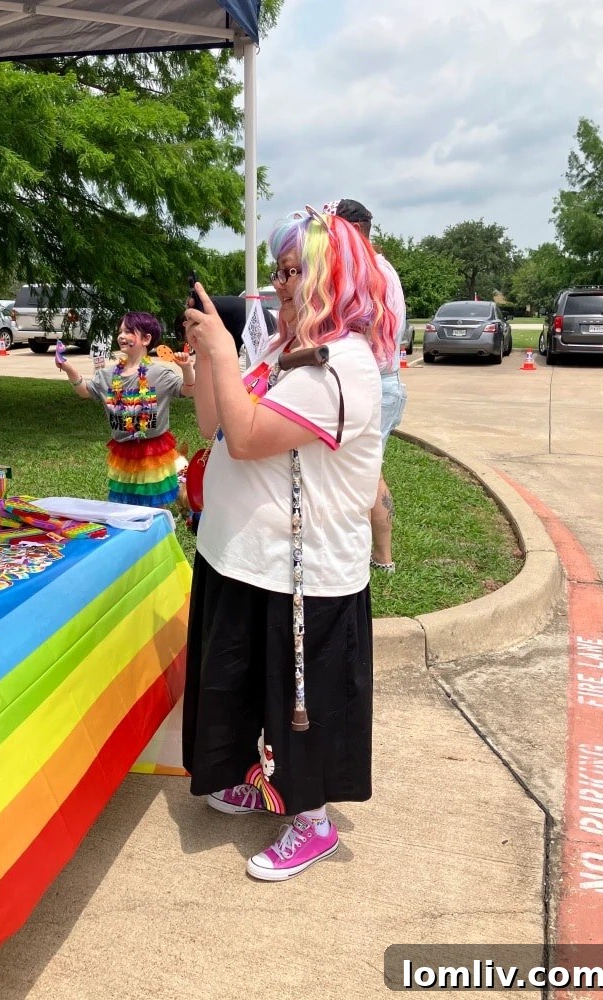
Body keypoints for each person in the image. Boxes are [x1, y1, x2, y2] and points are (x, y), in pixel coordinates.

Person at [181, 207, 398, 881]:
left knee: (301, 700)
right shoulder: (286, 347)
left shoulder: (342, 367)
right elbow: (219, 424)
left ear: (338, 277)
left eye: (295, 270)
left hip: (304, 576)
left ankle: (312, 822)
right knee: (244, 685)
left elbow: (247, 441)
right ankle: (256, 781)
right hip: (245, 557)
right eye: (277, 270)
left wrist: (221, 352)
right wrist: (208, 363)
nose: (280, 284)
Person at [56, 310, 195, 507]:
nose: (122, 335)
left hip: (152, 452)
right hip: (123, 453)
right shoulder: (107, 375)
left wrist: (187, 369)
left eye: (129, 331)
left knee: (152, 507)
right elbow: (86, 391)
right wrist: (69, 368)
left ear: (146, 339)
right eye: (120, 331)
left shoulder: (159, 374)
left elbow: (189, 390)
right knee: (125, 507)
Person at [334, 198, 407, 574]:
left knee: (365, 472)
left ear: (355, 230)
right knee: (364, 469)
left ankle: (381, 558)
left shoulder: (369, 272)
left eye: (335, 232)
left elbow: (367, 338)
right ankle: (377, 557)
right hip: (382, 382)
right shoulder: (380, 267)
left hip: (376, 384)